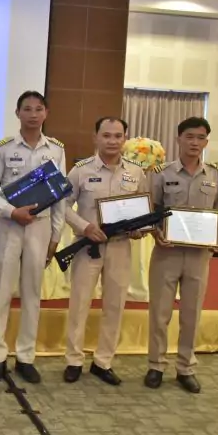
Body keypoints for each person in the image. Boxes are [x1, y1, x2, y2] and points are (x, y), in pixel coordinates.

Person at [0, 90, 67, 383]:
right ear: (17, 113)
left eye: (38, 109)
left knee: (32, 293)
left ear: (46, 113)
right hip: (9, 225)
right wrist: (9, 211)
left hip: (40, 228)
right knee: (1, 292)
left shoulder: (56, 149)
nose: (33, 114)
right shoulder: (3, 148)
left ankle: (26, 357)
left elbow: (60, 194)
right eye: (27, 109)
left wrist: (55, 236)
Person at [62, 117, 147, 386]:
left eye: (118, 136)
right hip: (88, 247)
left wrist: (139, 229)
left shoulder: (136, 173)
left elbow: (143, 210)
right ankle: (74, 360)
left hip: (120, 247)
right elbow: (62, 206)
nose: (112, 141)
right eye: (106, 135)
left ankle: (103, 361)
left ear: (125, 139)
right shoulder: (80, 170)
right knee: (79, 304)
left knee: (114, 305)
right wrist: (85, 227)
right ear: (95, 137)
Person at [145, 117, 218, 394]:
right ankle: (156, 365)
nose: (194, 142)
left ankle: (185, 368)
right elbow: (150, 210)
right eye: (189, 136)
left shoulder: (215, 175)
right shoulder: (161, 173)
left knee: (192, 314)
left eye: (200, 138)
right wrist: (156, 232)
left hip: (199, 256)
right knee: (160, 313)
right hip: (167, 252)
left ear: (206, 142)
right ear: (178, 139)